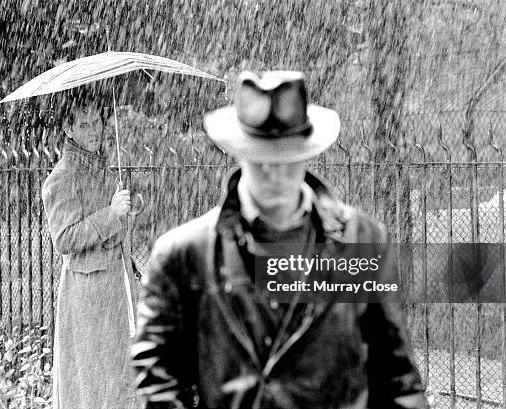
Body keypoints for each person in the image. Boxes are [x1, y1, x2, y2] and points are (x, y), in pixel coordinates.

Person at [131, 71, 427, 409]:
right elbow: (160, 380)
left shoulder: (362, 241)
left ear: (308, 152)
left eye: (286, 158)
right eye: (261, 160)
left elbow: (397, 377)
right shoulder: (185, 255)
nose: (274, 174)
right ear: (239, 152)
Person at [42, 89, 139, 409]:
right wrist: (111, 215)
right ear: (68, 130)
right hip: (88, 292)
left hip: (114, 283)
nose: (94, 130)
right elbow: (65, 239)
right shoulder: (62, 178)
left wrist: (128, 208)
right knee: (91, 375)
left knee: (118, 368)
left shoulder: (102, 167)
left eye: (96, 122)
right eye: (83, 125)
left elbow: (113, 222)